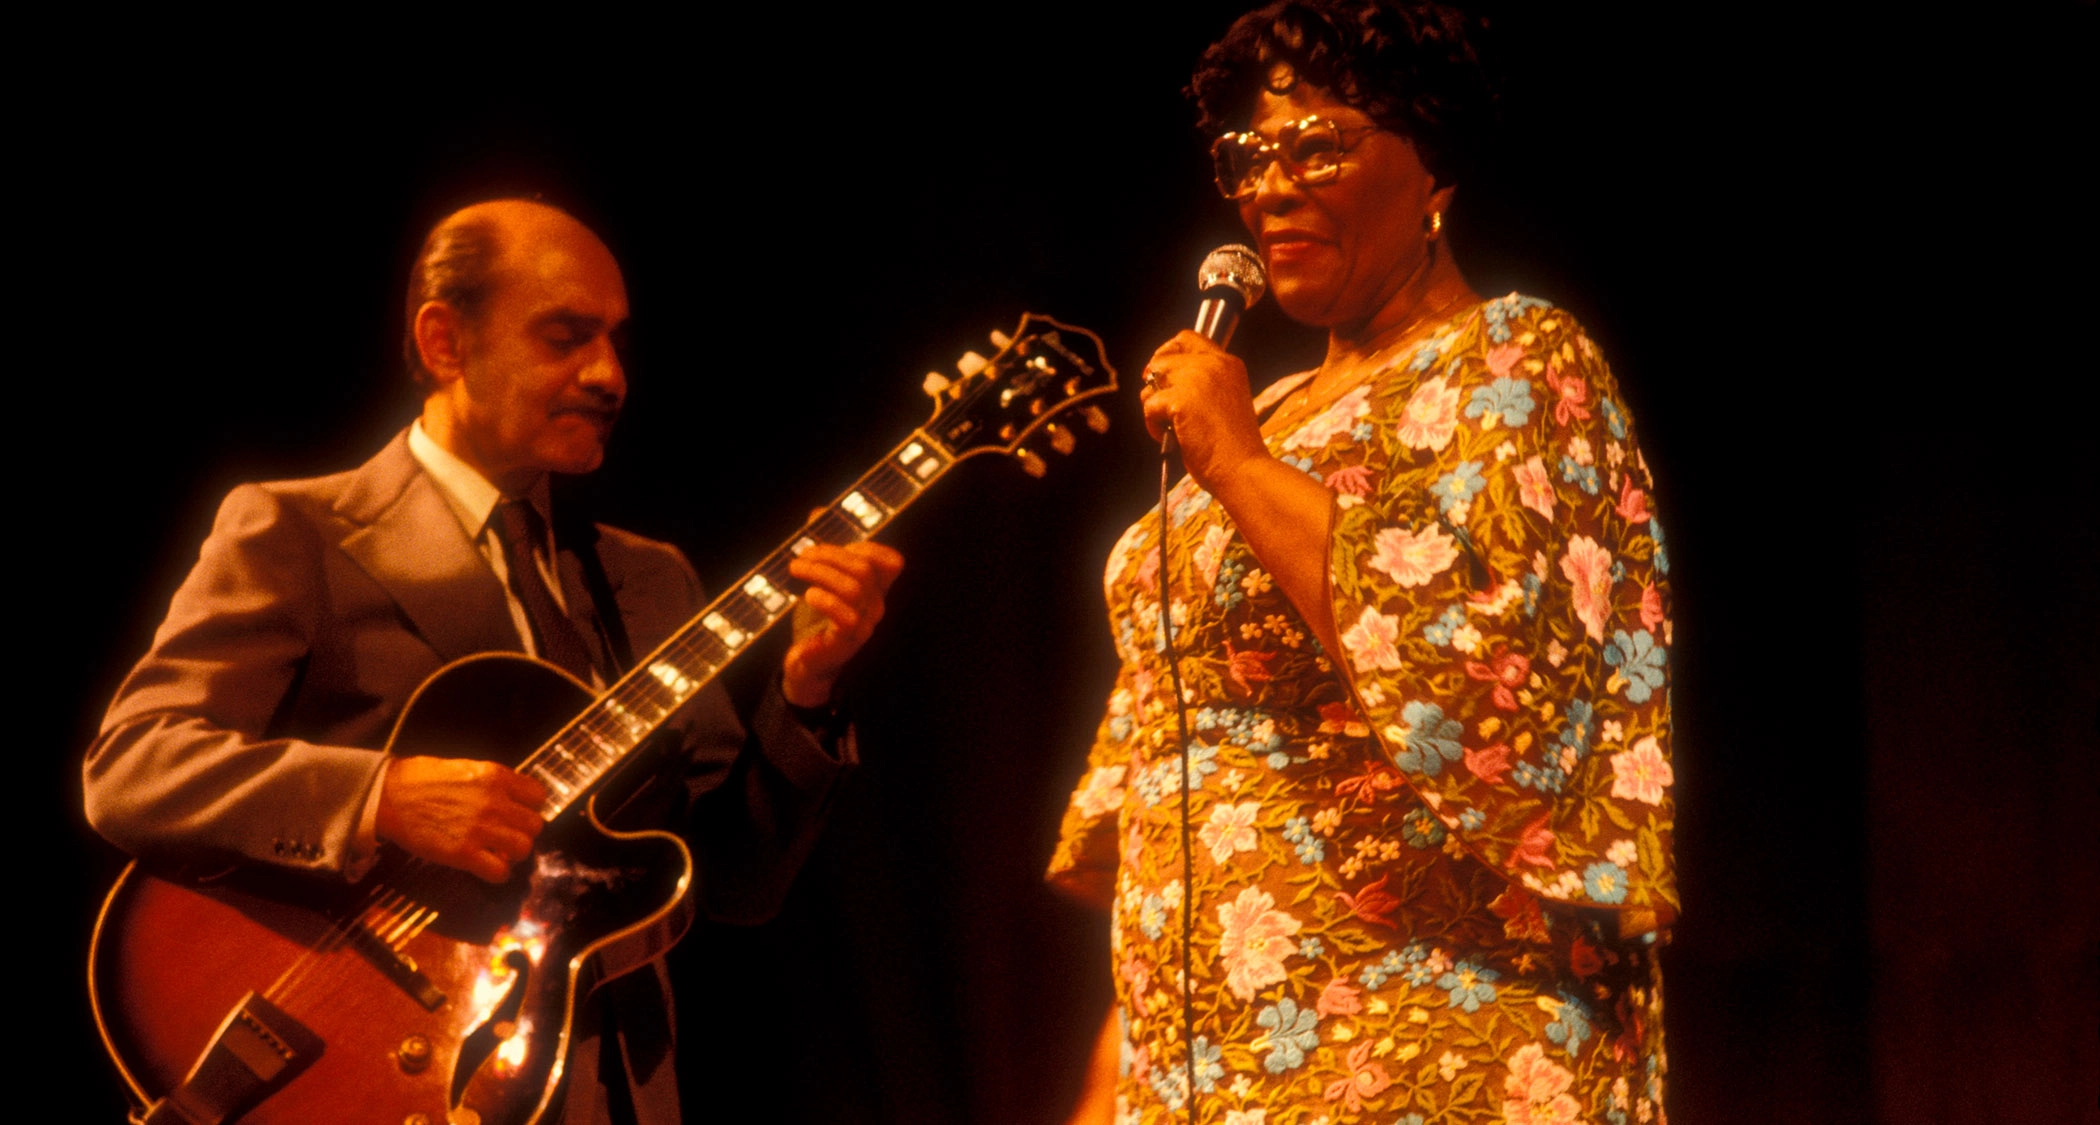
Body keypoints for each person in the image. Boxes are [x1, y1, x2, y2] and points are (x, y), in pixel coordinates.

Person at [84, 198, 904, 1123]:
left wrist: (807, 689)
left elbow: (739, 885)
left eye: (616, 341)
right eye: (566, 337)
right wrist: (382, 797)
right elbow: (133, 768)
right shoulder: (296, 530)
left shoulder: (649, 580)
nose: (609, 374)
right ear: (445, 342)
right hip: (365, 1068)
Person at [1049, 3, 1675, 1121]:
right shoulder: (1272, 406)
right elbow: (1177, 778)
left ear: (1432, 167)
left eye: (1317, 146)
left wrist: (1241, 463)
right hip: (1207, 1062)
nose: (1270, 187)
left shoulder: (1513, 360)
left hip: (1434, 1042)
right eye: (1249, 157)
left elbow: (1491, 688)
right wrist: (1120, 1060)